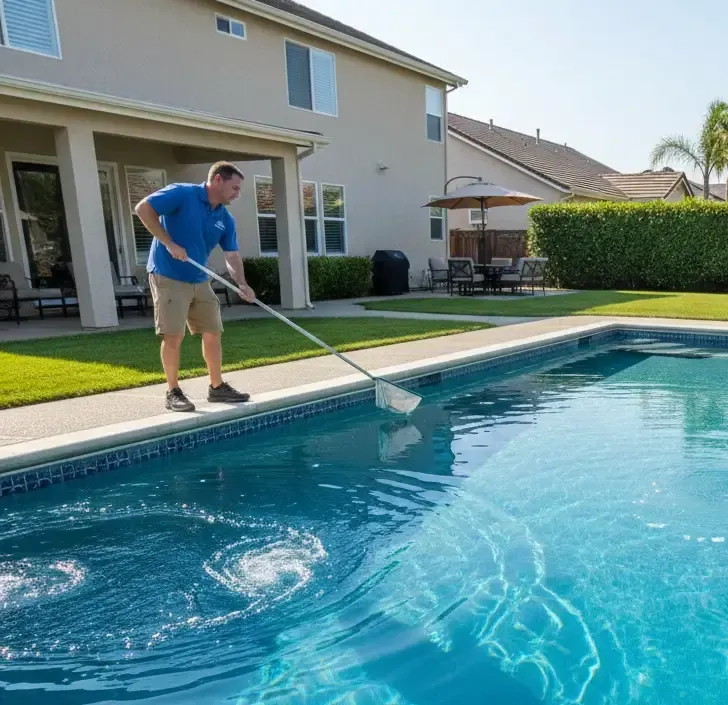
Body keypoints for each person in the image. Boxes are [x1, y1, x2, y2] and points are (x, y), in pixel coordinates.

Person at [135, 161, 256, 413]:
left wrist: (241, 284)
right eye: (234, 187)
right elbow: (143, 209)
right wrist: (169, 243)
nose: (237, 193)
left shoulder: (225, 218)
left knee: (213, 331)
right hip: (168, 274)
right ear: (218, 180)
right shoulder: (182, 193)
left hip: (200, 278)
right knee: (173, 335)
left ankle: (216, 386)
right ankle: (173, 391)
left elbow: (231, 256)